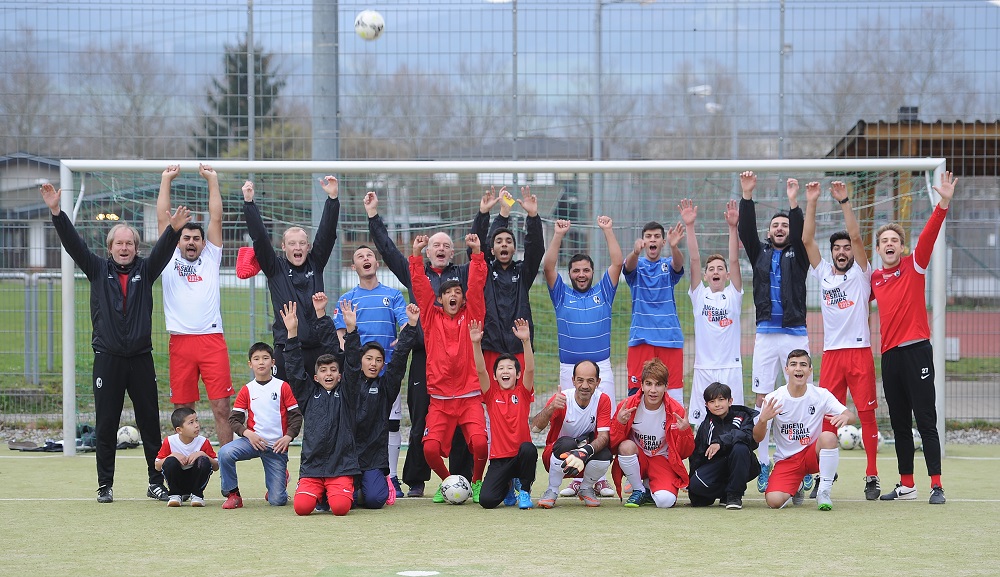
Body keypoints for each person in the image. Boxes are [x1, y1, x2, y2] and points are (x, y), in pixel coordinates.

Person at [40, 182, 190, 504]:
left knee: (149, 423)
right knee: (106, 423)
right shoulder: (96, 269)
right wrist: (56, 213)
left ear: (136, 247)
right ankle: (105, 485)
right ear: (110, 248)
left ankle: (155, 482)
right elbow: (74, 244)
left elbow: (163, 251)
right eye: (119, 243)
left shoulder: (146, 270)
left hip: (141, 358)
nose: (124, 247)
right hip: (107, 358)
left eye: (129, 243)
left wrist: (174, 230)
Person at [365, 188, 493, 497]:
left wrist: (482, 218)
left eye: (446, 245)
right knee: (422, 420)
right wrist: (374, 217)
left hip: (465, 378)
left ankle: (466, 480)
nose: (441, 248)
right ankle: (418, 480)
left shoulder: (462, 278)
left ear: (452, 252)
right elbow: (390, 253)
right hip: (427, 360)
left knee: (471, 437)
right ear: (429, 250)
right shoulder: (421, 286)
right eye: (436, 244)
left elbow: (478, 278)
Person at [871, 171, 957, 505]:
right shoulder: (874, 279)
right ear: (878, 249)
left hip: (917, 352)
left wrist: (942, 204)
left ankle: (936, 485)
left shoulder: (914, 266)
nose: (889, 244)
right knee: (898, 423)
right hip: (890, 357)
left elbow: (929, 235)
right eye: (884, 241)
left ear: (902, 246)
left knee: (925, 420)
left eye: (894, 239)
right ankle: (907, 484)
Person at [802, 180, 881, 500]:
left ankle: (872, 474)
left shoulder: (861, 273)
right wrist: (812, 201)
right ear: (832, 252)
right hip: (832, 354)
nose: (842, 251)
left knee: (866, 414)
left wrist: (844, 201)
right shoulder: (823, 273)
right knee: (827, 416)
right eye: (837, 248)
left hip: (859, 352)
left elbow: (858, 236)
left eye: (846, 247)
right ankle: (826, 475)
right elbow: (807, 240)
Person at [738, 171, 811, 492]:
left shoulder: (800, 254)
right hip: (766, 334)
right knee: (763, 399)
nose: (780, 228)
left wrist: (794, 203)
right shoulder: (760, 253)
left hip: (795, 333)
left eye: (785, 225)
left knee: (800, 394)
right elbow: (745, 231)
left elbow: (802, 231)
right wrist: (747, 196)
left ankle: (803, 461)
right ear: (769, 232)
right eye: (775, 225)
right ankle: (765, 463)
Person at [542, 216, 623, 498]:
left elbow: (617, 262)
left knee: (604, 423)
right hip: (570, 369)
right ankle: (576, 478)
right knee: (573, 424)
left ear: (592, 272)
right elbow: (548, 266)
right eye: (576, 270)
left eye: (586, 270)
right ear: (570, 273)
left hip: (601, 368)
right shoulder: (561, 294)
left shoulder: (604, 291)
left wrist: (608, 230)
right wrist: (558, 235)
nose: (581, 274)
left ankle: (598, 479)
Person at [157, 163, 234, 446]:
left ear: (203, 243)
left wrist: (212, 180)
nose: (191, 242)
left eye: (196, 239)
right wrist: (166, 180)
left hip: (212, 339)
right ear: (178, 242)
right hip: (181, 342)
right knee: (184, 412)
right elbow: (163, 218)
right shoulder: (168, 257)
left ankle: (228, 468)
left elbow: (216, 217)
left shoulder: (211, 257)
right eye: (186, 238)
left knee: (222, 408)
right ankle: (187, 467)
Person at [409, 233, 489, 504]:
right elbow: (420, 287)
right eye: (447, 293)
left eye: (457, 293)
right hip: (440, 399)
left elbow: (476, 287)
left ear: (463, 299)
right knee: (429, 449)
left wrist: (477, 255)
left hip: (469, 397)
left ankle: (476, 482)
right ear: (440, 299)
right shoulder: (430, 318)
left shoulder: (472, 316)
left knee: (480, 443)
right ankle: (448, 483)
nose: (453, 296)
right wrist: (416, 256)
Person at [241, 177, 341, 381]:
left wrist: (332, 199)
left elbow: (327, 234)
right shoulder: (274, 268)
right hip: (287, 347)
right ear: (283, 246)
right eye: (292, 243)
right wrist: (249, 203)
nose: (298, 247)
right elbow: (260, 238)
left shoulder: (315, 263)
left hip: (318, 348)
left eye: (302, 243)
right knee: (285, 398)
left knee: (321, 397)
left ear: (308, 246)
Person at [333, 245, 409, 499]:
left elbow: (405, 323)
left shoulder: (393, 295)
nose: (365, 259)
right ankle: (353, 474)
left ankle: (392, 477)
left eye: (369, 256)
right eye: (360, 256)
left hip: (386, 374)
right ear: (353, 266)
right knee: (357, 423)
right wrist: (352, 362)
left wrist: (402, 338)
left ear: (377, 264)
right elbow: (341, 335)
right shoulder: (347, 299)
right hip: (357, 378)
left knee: (391, 423)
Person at [341, 298, 419, 509]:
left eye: (378, 360)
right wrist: (351, 329)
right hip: (347, 456)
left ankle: (378, 483)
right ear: (361, 361)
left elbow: (400, 359)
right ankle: (352, 488)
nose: (373, 364)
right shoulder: (351, 382)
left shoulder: (386, 387)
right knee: (342, 502)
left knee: (375, 500)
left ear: (383, 364)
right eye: (368, 358)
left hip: (373, 457)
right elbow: (350, 357)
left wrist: (411, 326)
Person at [753, 350, 853, 510]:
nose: (798, 368)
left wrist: (846, 417)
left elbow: (850, 415)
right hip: (786, 460)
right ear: (786, 369)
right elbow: (757, 438)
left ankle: (823, 492)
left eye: (803, 365)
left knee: (828, 437)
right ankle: (797, 485)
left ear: (810, 370)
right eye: (793, 364)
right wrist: (762, 420)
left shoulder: (820, 395)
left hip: (811, 455)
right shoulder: (774, 398)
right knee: (774, 501)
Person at [682, 198, 745, 428]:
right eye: (711, 269)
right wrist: (690, 226)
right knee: (701, 425)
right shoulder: (699, 295)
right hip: (704, 369)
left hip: (731, 368)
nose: (715, 271)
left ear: (727, 275)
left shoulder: (733, 295)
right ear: (706, 275)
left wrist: (732, 228)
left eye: (720, 268)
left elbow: (734, 260)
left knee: (734, 423)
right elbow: (694, 259)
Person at [218, 342, 303, 509]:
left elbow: (296, 416)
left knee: (277, 501)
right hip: (252, 443)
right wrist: (248, 434)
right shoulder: (247, 390)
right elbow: (234, 419)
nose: (261, 362)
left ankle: (282, 478)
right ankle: (233, 494)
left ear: (273, 362)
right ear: (250, 364)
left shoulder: (282, 387)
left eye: (265, 358)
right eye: (256, 359)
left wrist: (288, 437)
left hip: (276, 447)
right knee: (224, 453)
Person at [480, 186, 544, 393]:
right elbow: (477, 249)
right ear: (492, 250)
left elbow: (536, 250)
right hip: (491, 345)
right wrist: (498, 214)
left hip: (519, 345)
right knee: (492, 399)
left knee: (520, 398)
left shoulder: (523, 272)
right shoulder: (485, 272)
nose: (504, 244)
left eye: (509, 241)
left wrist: (532, 217)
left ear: (514, 249)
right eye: (499, 242)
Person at [470, 318, 537, 510]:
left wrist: (526, 341)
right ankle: (508, 486)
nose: (505, 371)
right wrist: (476, 344)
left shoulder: (523, 393)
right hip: (499, 459)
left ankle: (524, 490)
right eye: (500, 368)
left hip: (520, 456)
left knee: (529, 449)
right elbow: (480, 370)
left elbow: (530, 369)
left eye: (510, 368)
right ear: (495, 376)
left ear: (517, 374)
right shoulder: (491, 395)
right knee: (487, 501)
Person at [610, 358, 694, 509]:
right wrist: (619, 424)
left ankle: (649, 486)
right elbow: (613, 446)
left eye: (658, 384)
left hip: (662, 461)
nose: (653, 390)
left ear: (666, 387)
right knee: (625, 446)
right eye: (648, 384)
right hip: (638, 459)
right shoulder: (627, 406)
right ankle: (639, 489)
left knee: (665, 501)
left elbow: (684, 453)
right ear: (641, 385)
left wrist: (684, 432)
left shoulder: (676, 411)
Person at [531, 360, 614, 508]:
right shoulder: (562, 398)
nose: (585, 386)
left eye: (590, 381)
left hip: (584, 458)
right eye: (580, 380)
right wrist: (551, 408)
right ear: (573, 381)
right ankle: (552, 490)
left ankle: (586, 488)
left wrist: (584, 452)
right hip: (555, 456)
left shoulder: (602, 400)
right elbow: (535, 428)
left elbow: (603, 437)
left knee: (605, 454)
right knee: (567, 443)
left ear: (598, 382)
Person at [623, 220, 686, 403]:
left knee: (673, 394)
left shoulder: (667, 265)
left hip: (669, 338)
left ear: (663, 242)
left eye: (657, 236)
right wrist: (635, 252)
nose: (652, 239)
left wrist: (674, 247)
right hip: (641, 338)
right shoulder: (637, 264)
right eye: (648, 236)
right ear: (643, 241)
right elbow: (628, 267)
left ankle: (671, 423)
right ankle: (636, 423)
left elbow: (678, 265)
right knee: (637, 393)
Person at [687, 382, 760, 510]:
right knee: (697, 489)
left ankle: (734, 495)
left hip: (742, 462)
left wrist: (720, 442)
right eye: (712, 401)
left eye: (721, 399)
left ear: (730, 401)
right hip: (717, 466)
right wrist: (692, 485)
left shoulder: (743, 416)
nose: (717, 404)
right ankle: (725, 492)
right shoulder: (705, 426)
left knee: (740, 447)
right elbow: (697, 455)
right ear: (706, 405)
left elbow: (748, 437)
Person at [154, 407, 219, 507]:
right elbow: (157, 466)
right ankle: (175, 495)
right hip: (177, 480)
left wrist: (203, 454)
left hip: (195, 480)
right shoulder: (169, 441)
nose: (197, 425)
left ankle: (197, 495)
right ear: (179, 430)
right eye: (191, 422)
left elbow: (216, 466)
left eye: (196, 420)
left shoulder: (203, 442)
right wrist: (172, 455)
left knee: (203, 460)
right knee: (170, 461)